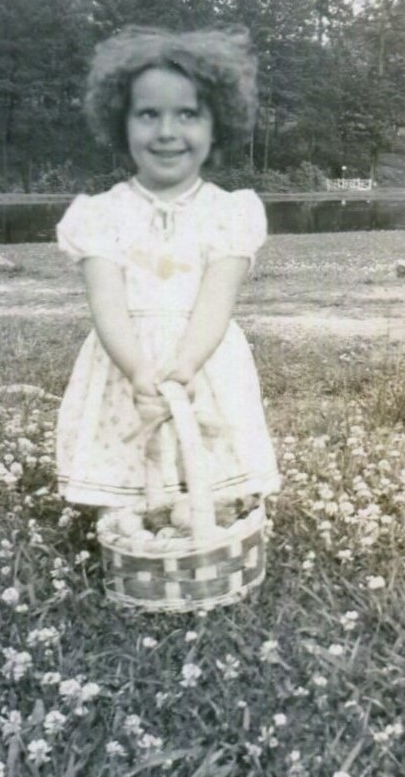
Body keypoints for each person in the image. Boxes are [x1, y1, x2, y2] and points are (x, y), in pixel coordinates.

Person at [56, 26, 280, 531]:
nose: (166, 132)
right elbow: (107, 303)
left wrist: (183, 367)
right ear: (121, 122)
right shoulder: (99, 214)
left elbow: (215, 303)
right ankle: (131, 514)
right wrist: (138, 370)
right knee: (130, 475)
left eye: (188, 115)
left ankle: (209, 511)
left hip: (201, 356)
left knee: (209, 467)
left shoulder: (231, 213)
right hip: (125, 359)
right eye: (148, 114)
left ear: (216, 124)